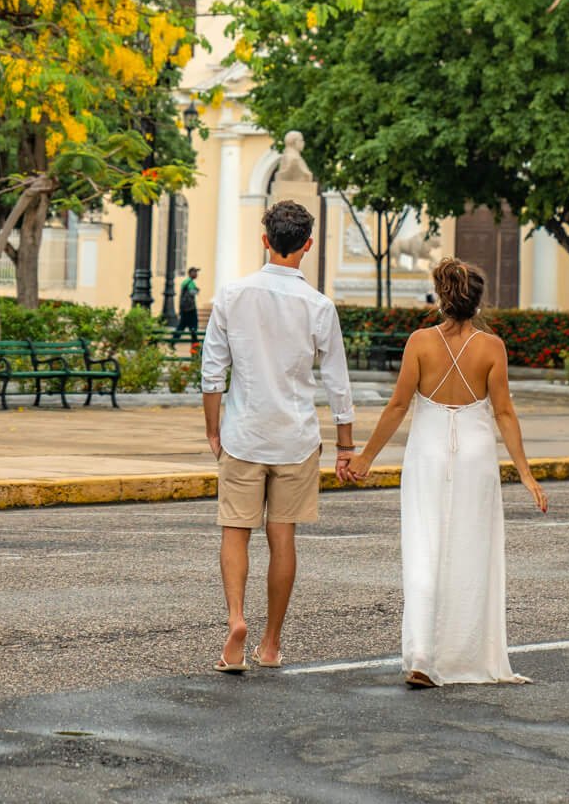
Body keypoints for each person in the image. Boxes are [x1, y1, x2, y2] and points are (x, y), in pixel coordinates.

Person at [346, 256, 547, 687]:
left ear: (442, 297)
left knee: (425, 550)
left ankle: (423, 657)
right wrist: (526, 474)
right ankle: (464, 655)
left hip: (428, 453)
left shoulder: (420, 342)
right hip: (475, 454)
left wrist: (364, 458)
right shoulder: (492, 347)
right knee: (472, 552)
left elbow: (398, 406)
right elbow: (505, 413)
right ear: (477, 302)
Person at [200, 200, 356, 674]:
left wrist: (213, 429)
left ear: (264, 240)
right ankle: (270, 643)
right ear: (307, 246)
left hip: (244, 434)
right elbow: (337, 382)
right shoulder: (319, 306)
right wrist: (346, 446)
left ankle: (235, 621)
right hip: (296, 439)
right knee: (282, 537)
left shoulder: (232, 294)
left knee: (235, 530)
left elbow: (212, 372)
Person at [178, 266, 200, 334]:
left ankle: (173, 341)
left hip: (184, 307)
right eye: (195, 272)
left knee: (182, 325)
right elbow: (192, 292)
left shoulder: (186, 281)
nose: (196, 274)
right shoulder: (190, 282)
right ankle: (195, 343)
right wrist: (197, 290)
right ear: (190, 273)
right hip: (190, 308)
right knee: (194, 325)